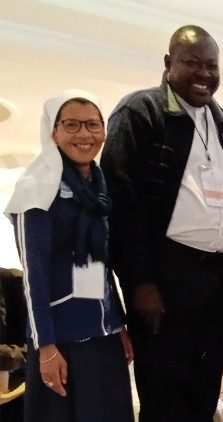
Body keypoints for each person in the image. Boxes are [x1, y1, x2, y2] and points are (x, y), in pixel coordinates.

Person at [101, 25, 223, 421]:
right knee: (164, 396)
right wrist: (140, 282)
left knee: (205, 390)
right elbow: (122, 202)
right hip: (165, 280)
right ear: (168, 64)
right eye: (192, 63)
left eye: (211, 65)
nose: (204, 73)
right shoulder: (140, 112)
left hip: (217, 281)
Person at [6, 90, 134, 421]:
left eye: (93, 125)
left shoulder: (100, 190)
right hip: (61, 339)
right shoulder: (36, 189)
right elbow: (34, 276)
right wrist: (45, 347)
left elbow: (102, 267)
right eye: (71, 125)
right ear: (53, 131)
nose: (84, 135)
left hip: (103, 335)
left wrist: (118, 324)